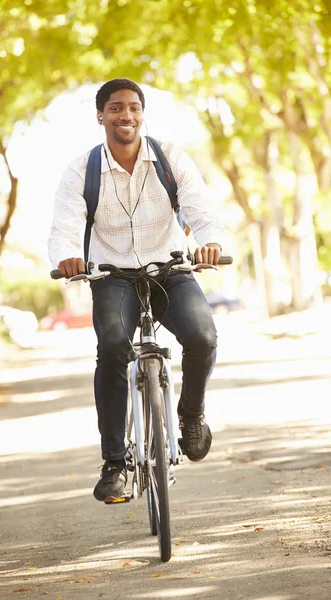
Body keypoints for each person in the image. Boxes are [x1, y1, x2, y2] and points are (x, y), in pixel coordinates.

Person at [48, 78, 226, 502]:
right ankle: (114, 463)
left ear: (142, 113)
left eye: (133, 107)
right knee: (112, 348)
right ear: (100, 116)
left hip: (170, 269)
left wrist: (212, 242)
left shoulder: (169, 158)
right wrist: (68, 257)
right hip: (112, 277)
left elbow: (201, 210)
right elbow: (64, 229)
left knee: (203, 336)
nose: (125, 115)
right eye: (115, 108)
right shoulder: (81, 170)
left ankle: (191, 415)